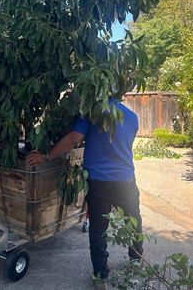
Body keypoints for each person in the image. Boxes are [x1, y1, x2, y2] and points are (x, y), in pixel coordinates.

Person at [26, 97, 143, 290]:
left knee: (98, 229)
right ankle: (136, 259)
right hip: (126, 180)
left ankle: (100, 276)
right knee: (134, 220)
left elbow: (74, 139)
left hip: (98, 182)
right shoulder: (132, 117)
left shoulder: (90, 113)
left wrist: (46, 156)